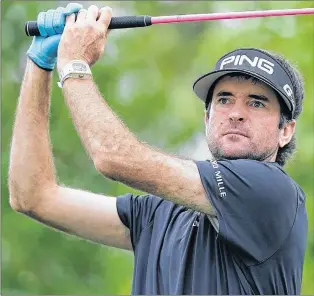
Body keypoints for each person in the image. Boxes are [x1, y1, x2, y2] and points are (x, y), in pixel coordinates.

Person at [8, 3, 308, 295]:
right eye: (224, 99)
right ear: (207, 117)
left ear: (285, 130)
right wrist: (39, 66)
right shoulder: (159, 212)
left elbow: (113, 157)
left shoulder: (271, 192)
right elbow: (33, 196)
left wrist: (74, 63)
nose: (236, 113)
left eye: (256, 102)